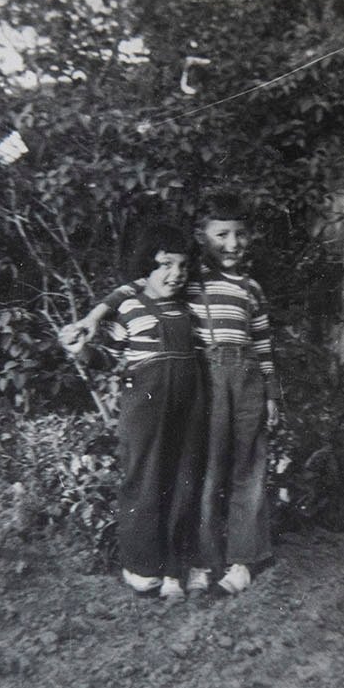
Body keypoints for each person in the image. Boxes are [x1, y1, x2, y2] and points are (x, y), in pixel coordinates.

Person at [63, 191, 277, 595]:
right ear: (202, 237)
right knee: (199, 473)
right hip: (194, 385)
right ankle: (197, 558)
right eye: (221, 235)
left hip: (237, 382)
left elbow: (265, 345)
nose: (232, 244)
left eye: (240, 235)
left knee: (237, 469)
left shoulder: (248, 288)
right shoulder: (184, 286)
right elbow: (132, 291)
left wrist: (271, 394)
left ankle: (235, 560)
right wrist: (91, 321)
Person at [60, 222, 204, 600]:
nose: (175, 274)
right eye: (165, 265)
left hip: (189, 406)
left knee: (184, 480)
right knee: (143, 479)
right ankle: (142, 566)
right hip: (144, 405)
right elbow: (107, 359)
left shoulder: (189, 307)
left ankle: (176, 567)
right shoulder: (129, 305)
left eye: (182, 266)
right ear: (148, 268)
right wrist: (79, 347)